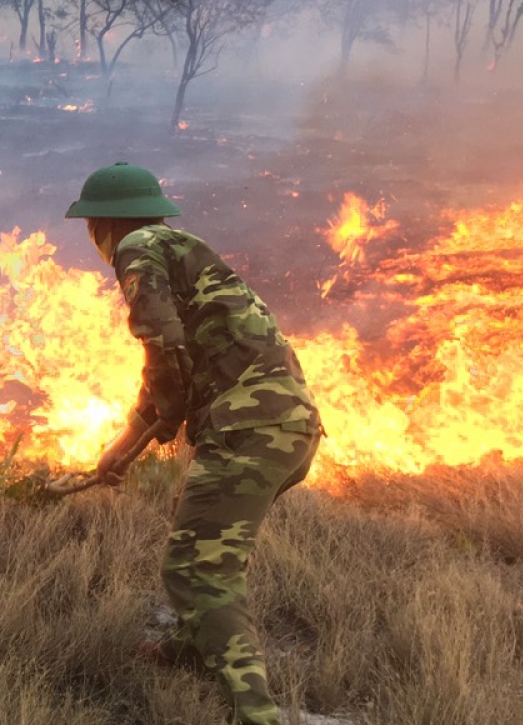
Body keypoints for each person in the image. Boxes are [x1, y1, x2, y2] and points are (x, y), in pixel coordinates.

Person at [65, 162, 322, 725]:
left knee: (196, 571)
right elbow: (168, 365)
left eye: (90, 226)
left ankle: (256, 712)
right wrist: (126, 446)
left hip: (248, 429)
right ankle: (188, 648)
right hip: (288, 428)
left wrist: (168, 414)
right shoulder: (179, 249)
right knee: (203, 536)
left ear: (102, 224)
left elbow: (160, 340)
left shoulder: (136, 246)